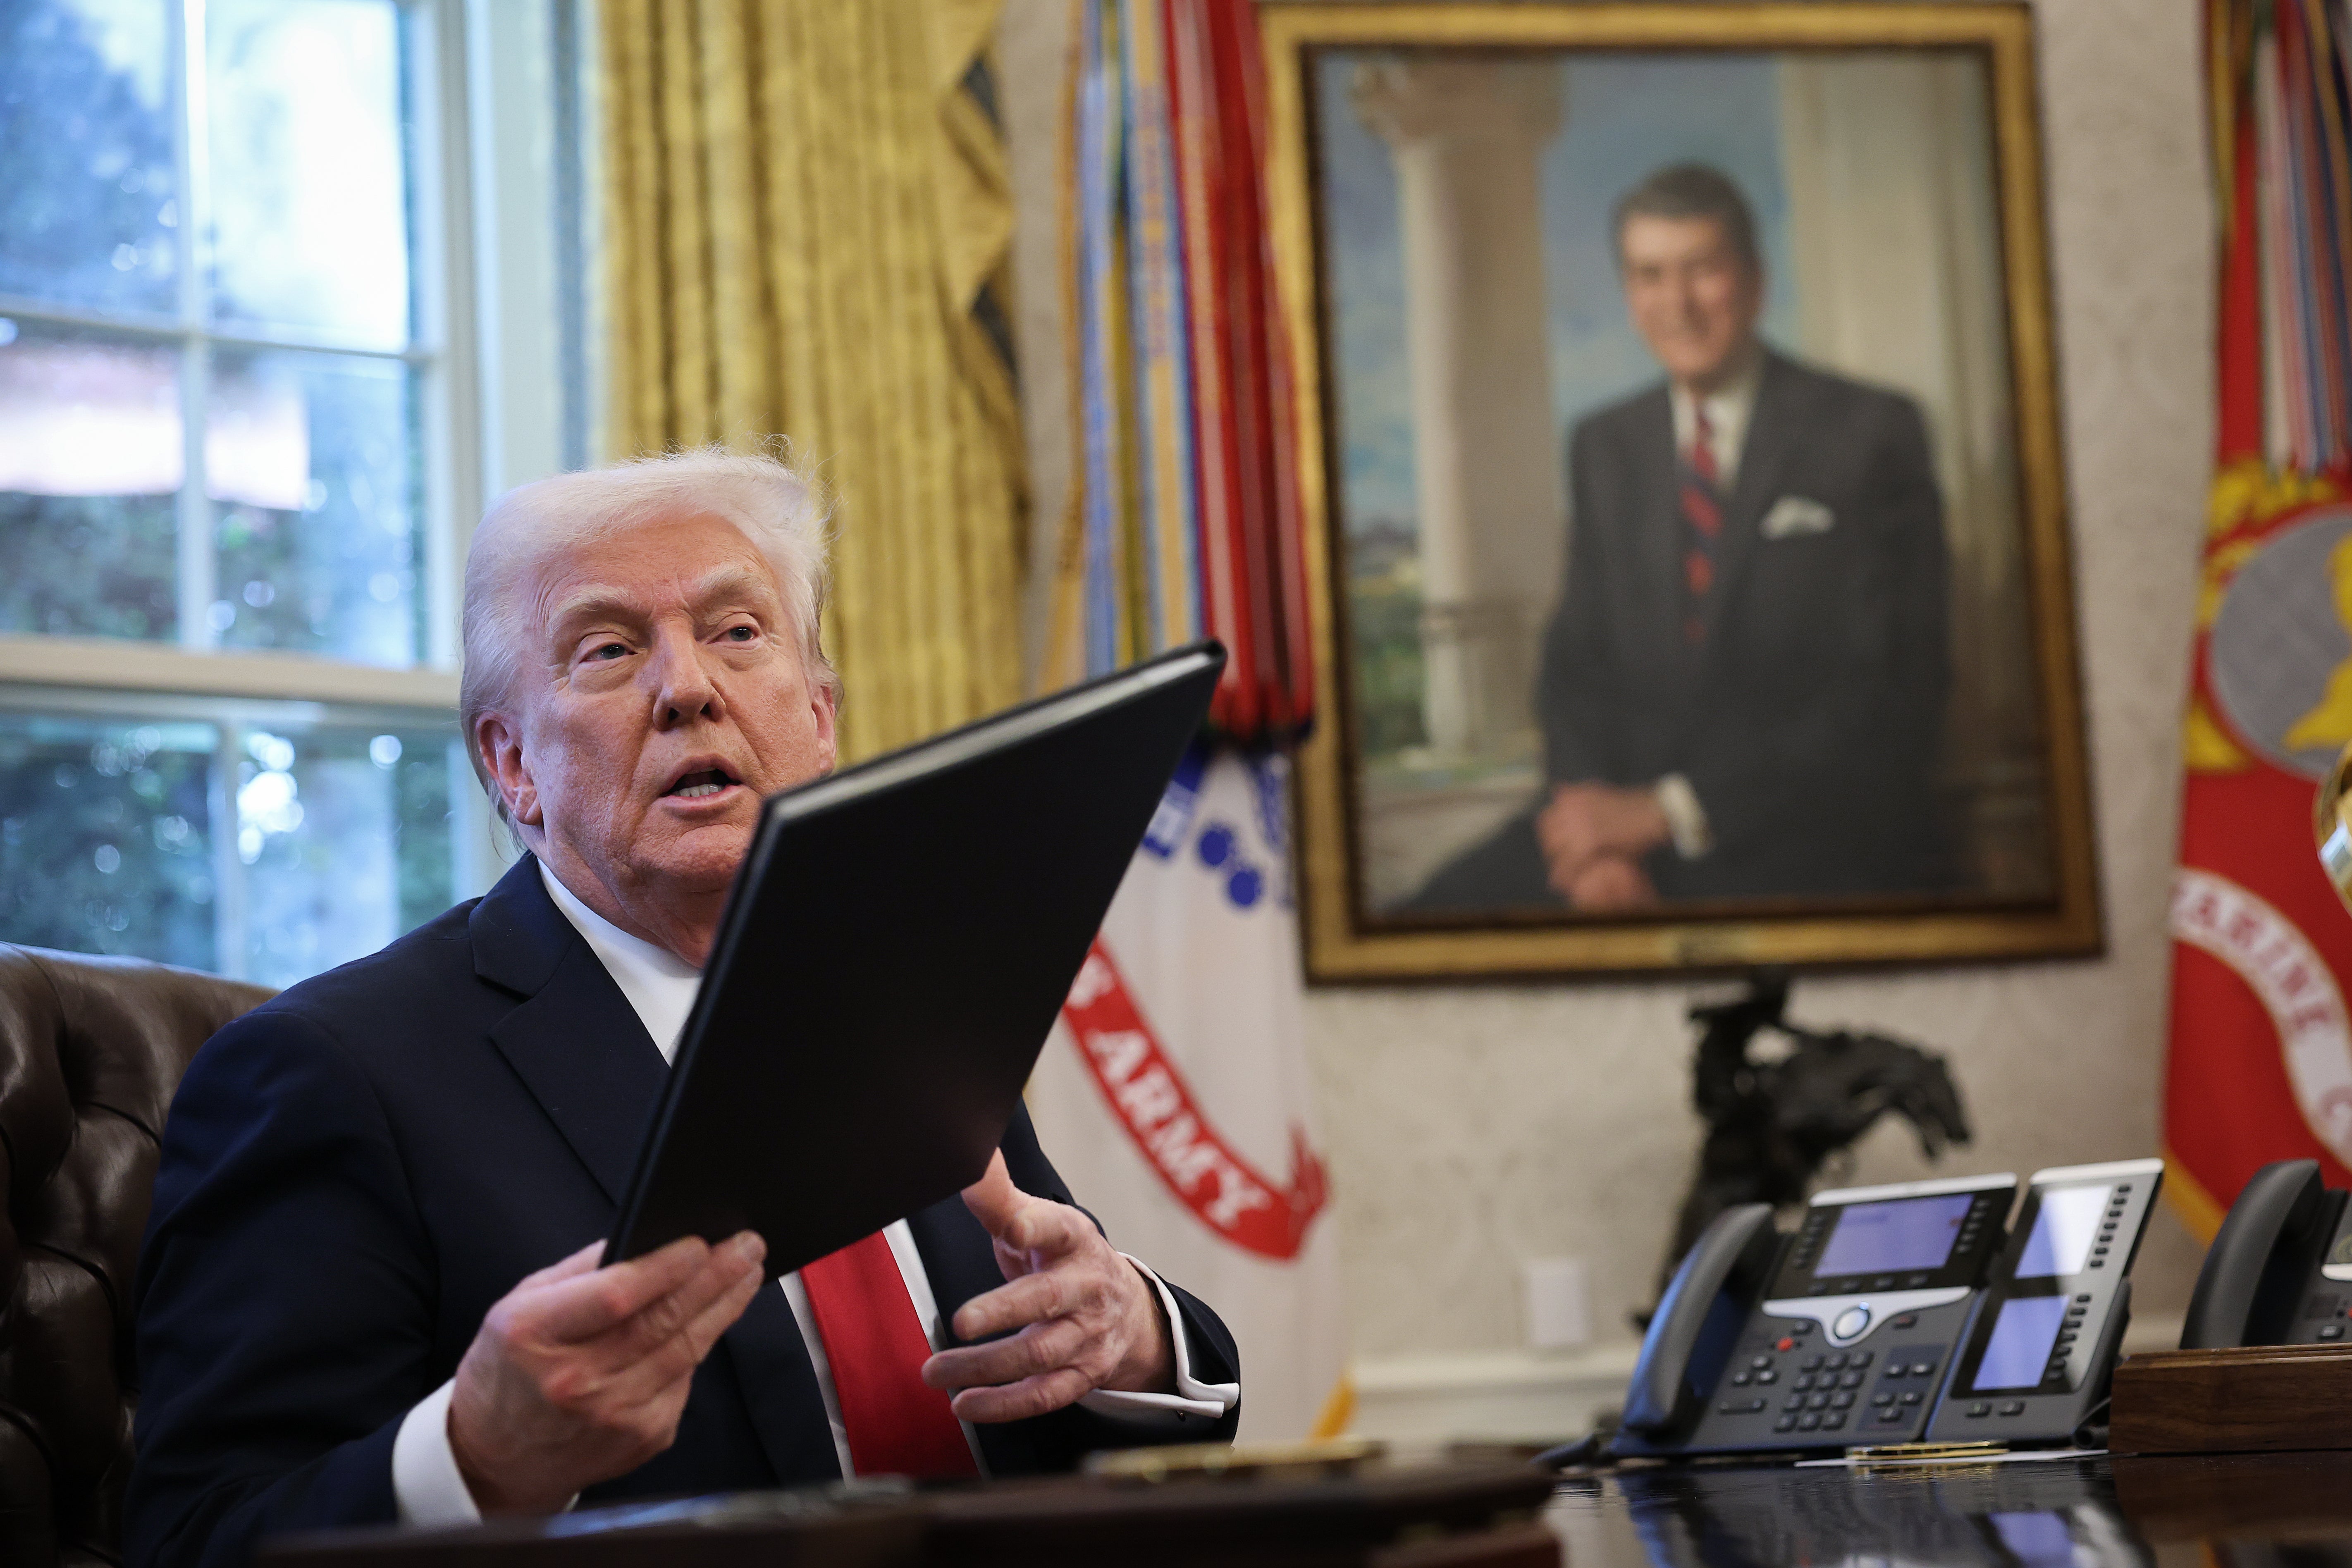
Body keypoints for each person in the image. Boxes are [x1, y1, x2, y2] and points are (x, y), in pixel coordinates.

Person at [128, 451, 1240, 1568]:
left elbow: (1064, 1349)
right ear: (510, 762)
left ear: (817, 719)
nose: (688, 687)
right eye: (608, 649)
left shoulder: (907, 996)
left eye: (738, 632)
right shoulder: (327, 1071)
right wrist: (477, 1454)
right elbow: (197, 1538)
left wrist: (1133, 1336)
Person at [1413, 163, 1952, 911]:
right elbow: (1574, 670)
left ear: (1755, 282)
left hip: (1803, 838)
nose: (1678, 305)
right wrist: (1589, 842)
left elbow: (1891, 695)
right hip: (1621, 836)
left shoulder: (1867, 434)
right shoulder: (1605, 444)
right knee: (1429, 916)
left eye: (1702, 271)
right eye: (1649, 276)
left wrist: (1668, 813)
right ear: (1629, 295)